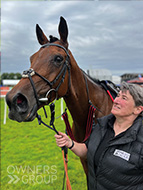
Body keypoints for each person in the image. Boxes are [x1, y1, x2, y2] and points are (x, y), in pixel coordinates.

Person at [55, 82, 143, 190]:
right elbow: (89, 151)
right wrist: (70, 143)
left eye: (124, 98)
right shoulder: (102, 125)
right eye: (118, 96)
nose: (116, 101)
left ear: (138, 109)